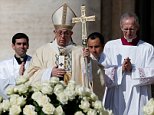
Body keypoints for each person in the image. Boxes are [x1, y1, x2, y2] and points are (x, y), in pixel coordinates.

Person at [24, 3, 102, 90]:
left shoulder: (80, 51)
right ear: (54, 32)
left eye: (66, 33)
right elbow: (30, 76)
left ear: (71, 34)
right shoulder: (42, 52)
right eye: (60, 32)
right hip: (49, 100)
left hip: (75, 99)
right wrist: (49, 72)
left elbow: (93, 78)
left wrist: (87, 61)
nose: (62, 36)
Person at [99, 12, 154, 115]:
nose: (128, 32)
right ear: (121, 27)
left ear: (137, 27)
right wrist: (121, 69)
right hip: (116, 94)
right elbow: (103, 73)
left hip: (139, 94)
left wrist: (132, 70)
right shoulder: (111, 46)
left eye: (132, 29)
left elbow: (153, 73)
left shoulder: (148, 48)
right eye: (125, 29)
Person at [0, 33, 31, 98]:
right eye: (19, 44)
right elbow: (2, 86)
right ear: (13, 46)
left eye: (24, 44)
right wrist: (18, 75)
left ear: (28, 46)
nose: (22, 46)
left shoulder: (35, 62)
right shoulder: (3, 65)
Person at [83, 32, 105, 100]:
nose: (93, 50)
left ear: (103, 46)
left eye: (96, 47)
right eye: (90, 47)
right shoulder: (85, 59)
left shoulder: (108, 59)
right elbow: (87, 77)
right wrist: (88, 61)